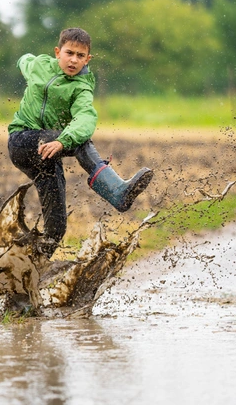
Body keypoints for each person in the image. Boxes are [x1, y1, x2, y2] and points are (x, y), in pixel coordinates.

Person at [8, 27, 153, 258]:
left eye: (80, 55)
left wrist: (62, 141)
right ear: (58, 52)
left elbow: (85, 118)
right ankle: (116, 191)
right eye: (69, 53)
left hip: (48, 154)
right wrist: (22, 61)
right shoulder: (38, 66)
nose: (74, 60)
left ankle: (29, 274)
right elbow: (24, 60)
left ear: (88, 58)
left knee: (56, 227)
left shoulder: (81, 87)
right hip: (22, 141)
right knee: (79, 143)